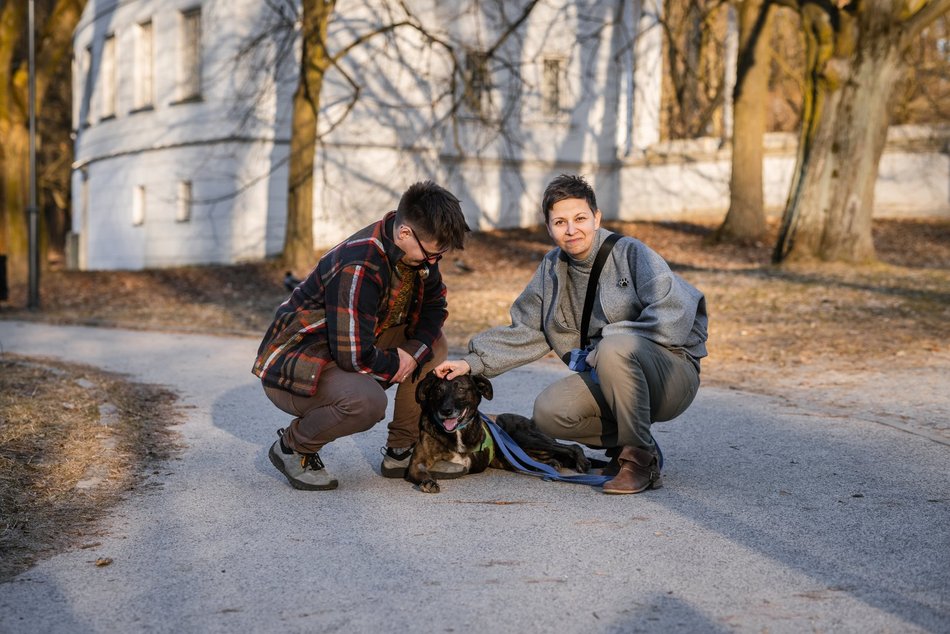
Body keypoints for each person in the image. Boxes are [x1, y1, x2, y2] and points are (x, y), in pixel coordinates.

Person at [436, 174, 708, 494]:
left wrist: (611, 339)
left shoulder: (632, 253)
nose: (571, 229)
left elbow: (673, 313)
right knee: (550, 414)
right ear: (549, 228)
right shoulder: (552, 268)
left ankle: (640, 459)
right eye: (560, 221)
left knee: (613, 349)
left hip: (671, 373)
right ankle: (633, 442)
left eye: (580, 218)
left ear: (596, 218)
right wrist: (471, 363)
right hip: (612, 376)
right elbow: (528, 329)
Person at [253, 181, 471, 490]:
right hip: (299, 364)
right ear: (405, 233)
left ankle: (402, 451)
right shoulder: (360, 264)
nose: (434, 263)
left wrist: (411, 353)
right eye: (431, 255)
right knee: (367, 402)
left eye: (440, 256)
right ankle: (293, 447)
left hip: (346, 346)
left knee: (433, 345)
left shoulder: (417, 252)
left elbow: (435, 307)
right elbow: (353, 355)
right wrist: (398, 363)